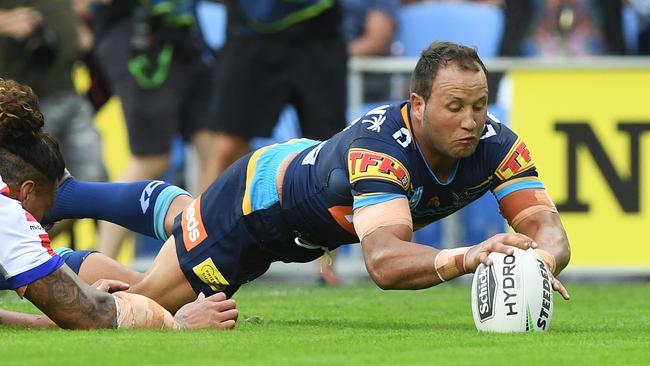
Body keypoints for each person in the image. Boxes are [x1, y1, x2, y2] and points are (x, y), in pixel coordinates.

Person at [42, 42, 571, 317]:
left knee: (183, 219)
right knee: (138, 308)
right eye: (455, 107)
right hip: (253, 209)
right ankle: (35, 267)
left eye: (479, 105)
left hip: (299, 193)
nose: (472, 120)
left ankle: (66, 193)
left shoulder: (498, 144)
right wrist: (470, 255)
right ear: (417, 104)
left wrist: (539, 258)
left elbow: (544, 222)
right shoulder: (383, 152)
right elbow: (384, 262)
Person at [0, 78, 238, 329]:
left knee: (48, 264)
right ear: (26, 192)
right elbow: (89, 313)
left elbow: (129, 200)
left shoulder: (26, 186)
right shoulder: (8, 209)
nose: (43, 225)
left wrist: (196, 222)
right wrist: (176, 324)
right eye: (44, 216)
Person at [85, 0, 220, 258]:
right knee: (151, 158)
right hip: (138, 39)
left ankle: (202, 251)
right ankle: (100, 261)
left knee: (215, 148)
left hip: (185, 37)